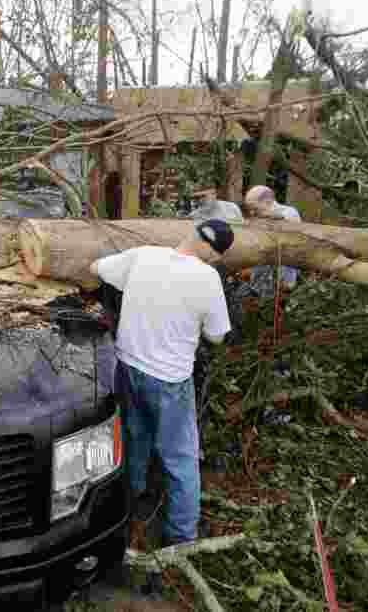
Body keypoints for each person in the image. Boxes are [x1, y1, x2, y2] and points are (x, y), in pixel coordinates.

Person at [89, 219, 234, 547]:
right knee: (180, 458)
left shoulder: (144, 255)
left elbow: (97, 266)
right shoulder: (207, 277)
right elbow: (217, 335)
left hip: (127, 368)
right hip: (169, 381)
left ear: (192, 233)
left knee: (134, 440)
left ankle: (130, 512)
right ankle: (181, 539)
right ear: (214, 254)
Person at [243, 185, 302, 297]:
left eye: (254, 208)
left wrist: (267, 217)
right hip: (259, 283)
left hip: (282, 283)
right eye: (249, 209)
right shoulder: (257, 218)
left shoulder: (289, 212)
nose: (251, 213)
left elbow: (287, 218)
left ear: (268, 201)